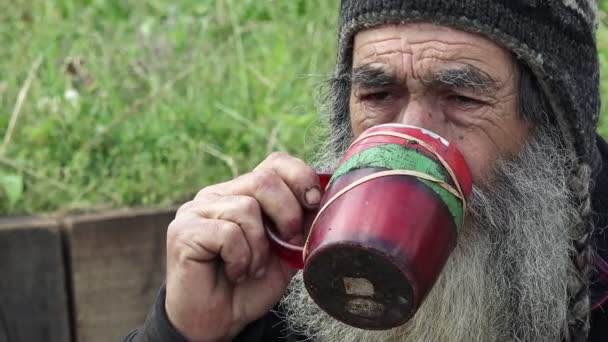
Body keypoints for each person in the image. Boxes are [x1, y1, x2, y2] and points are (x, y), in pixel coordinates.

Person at [124, 1, 608, 341]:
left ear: (556, 129)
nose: (409, 141)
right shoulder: (286, 279)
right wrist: (182, 332)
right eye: (378, 96)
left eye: (461, 99)